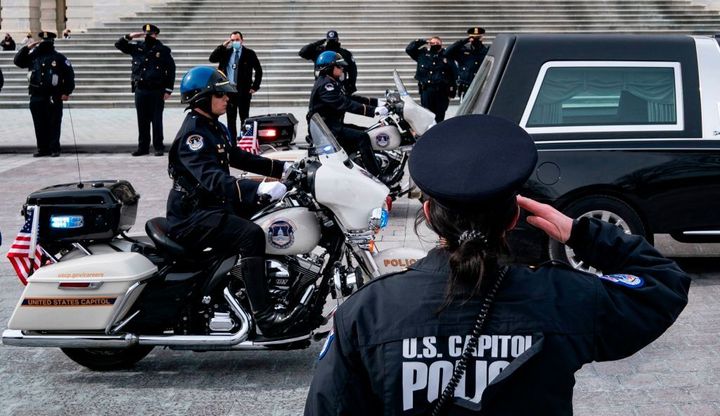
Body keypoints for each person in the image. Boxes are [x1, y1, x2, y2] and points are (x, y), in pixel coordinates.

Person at [304, 114, 691, 415]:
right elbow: (663, 283)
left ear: (428, 214)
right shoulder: (563, 297)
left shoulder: (367, 312)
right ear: (512, 219)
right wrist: (580, 233)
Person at [167, 66, 297, 337]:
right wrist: (260, 188)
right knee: (251, 235)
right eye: (220, 94)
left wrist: (284, 169)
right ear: (202, 98)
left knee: (273, 213)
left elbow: (239, 157)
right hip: (192, 216)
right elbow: (214, 180)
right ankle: (264, 315)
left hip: (211, 207)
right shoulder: (194, 135)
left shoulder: (214, 127)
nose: (227, 99)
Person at [307, 51, 390, 182]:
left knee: (368, 131)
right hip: (327, 130)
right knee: (363, 137)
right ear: (328, 68)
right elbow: (344, 104)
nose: (342, 69)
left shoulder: (331, 82)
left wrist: (376, 102)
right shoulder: (325, 86)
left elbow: (350, 97)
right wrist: (374, 111)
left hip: (332, 126)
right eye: (339, 67)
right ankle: (377, 176)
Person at [115, 24, 176, 157]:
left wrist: (168, 90)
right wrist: (129, 36)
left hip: (157, 89)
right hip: (141, 89)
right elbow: (119, 45)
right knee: (142, 120)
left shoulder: (163, 50)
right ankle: (143, 147)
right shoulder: (137, 47)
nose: (149, 36)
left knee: (156, 119)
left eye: (151, 34)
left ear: (156, 35)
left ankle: (158, 146)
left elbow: (171, 70)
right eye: (146, 34)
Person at [13, 31, 75, 157]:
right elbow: (18, 62)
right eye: (43, 42)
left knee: (53, 123)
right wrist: (27, 48)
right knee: (39, 123)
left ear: (52, 43)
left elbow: (69, 75)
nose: (45, 44)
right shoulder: (33, 56)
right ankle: (42, 148)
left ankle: (54, 148)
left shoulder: (59, 58)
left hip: (53, 96)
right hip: (36, 95)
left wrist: (66, 92)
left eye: (47, 42)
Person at [208, 31, 262, 139]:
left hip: (244, 90)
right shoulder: (226, 53)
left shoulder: (249, 53)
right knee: (231, 118)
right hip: (229, 90)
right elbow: (212, 59)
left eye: (237, 40)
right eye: (233, 40)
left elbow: (258, 70)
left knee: (244, 117)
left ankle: (245, 139)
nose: (235, 42)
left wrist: (255, 86)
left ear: (242, 40)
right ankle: (232, 141)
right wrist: (223, 46)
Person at [405, 36, 458, 123]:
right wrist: (422, 41)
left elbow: (454, 75)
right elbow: (409, 50)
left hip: (442, 93)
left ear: (441, 44)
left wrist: (451, 93)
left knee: (439, 117)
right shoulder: (422, 54)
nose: (435, 45)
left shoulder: (447, 55)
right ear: (429, 44)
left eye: (437, 43)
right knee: (427, 115)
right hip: (426, 91)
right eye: (433, 43)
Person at [299, 30, 358, 95]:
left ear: (337, 40)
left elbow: (353, 71)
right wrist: (316, 44)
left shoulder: (345, 53)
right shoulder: (320, 52)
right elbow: (302, 53)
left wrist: (351, 85)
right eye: (330, 40)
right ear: (327, 40)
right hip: (322, 85)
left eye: (333, 40)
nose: (332, 43)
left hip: (340, 86)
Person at [445, 27, 489, 100]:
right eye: (473, 38)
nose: (476, 40)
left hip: (480, 85)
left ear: (482, 38)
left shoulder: (487, 51)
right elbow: (447, 52)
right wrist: (464, 41)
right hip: (466, 86)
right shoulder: (463, 51)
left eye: (478, 37)